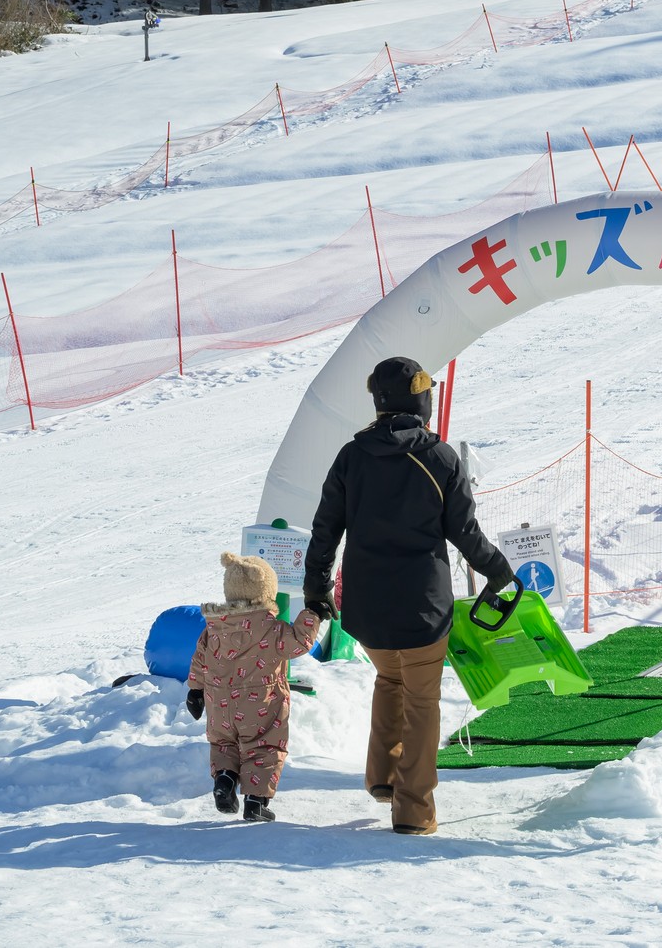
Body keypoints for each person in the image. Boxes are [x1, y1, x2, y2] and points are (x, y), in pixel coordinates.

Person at [302, 356, 513, 836]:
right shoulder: (439, 457)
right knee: (420, 699)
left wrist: (317, 588)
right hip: (424, 606)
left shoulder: (351, 457)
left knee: (389, 680)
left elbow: (324, 531)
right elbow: (465, 532)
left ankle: (382, 778)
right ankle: (414, 809)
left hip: (368, 609)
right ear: (421, 397)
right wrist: (499, 572)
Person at [185, 551, 326, 822]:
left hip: (219, 703)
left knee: (224, 744)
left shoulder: (215, 628)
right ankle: (256, 802)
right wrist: (313, 613)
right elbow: (299, 642)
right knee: (264, 748)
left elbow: (199, 657)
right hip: (261, 703)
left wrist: (195, 690)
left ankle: (225, 779)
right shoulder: (270, 628)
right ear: (266, 590)